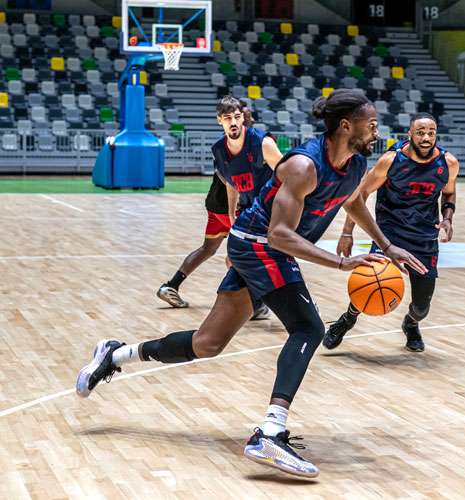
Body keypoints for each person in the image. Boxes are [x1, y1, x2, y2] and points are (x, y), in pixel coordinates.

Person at [76, 89, 426, 477]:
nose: (377, 129)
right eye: (371, 123)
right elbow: (278, 234)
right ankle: (270, 433)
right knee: (308, 328)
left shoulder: (357, 164)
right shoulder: (303, 165)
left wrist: (387, 245)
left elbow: (352, 202)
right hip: (259, 245)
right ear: (346, 125)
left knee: (206, 344)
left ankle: (115, 354)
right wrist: (342, 262)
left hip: (266, 248)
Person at [323, 113, 459, 352]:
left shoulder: (448, 163)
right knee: (369, 283)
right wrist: (347, 233)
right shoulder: (391, 161)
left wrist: (447, 218)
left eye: (431, 133)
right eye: (420, 132)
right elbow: (360, 195)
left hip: (424, 239)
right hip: (388, 236)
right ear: (410, 135)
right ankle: (348, 318)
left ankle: (411, 323)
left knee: (422, 307)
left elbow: (448, 192)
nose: (426, 138)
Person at [157, 97, 282, 321]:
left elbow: (283, 175)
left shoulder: (259, 143)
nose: (235, 122)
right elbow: (230, 184)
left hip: (230, 206)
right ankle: (250, 301)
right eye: (228, 118)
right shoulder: (224, 150)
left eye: (238, 117)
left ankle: (173, 285)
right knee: (242, 256)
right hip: (230, 206)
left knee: (215, 250)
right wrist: (233, 212)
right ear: (221, 121)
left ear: (243, 119)